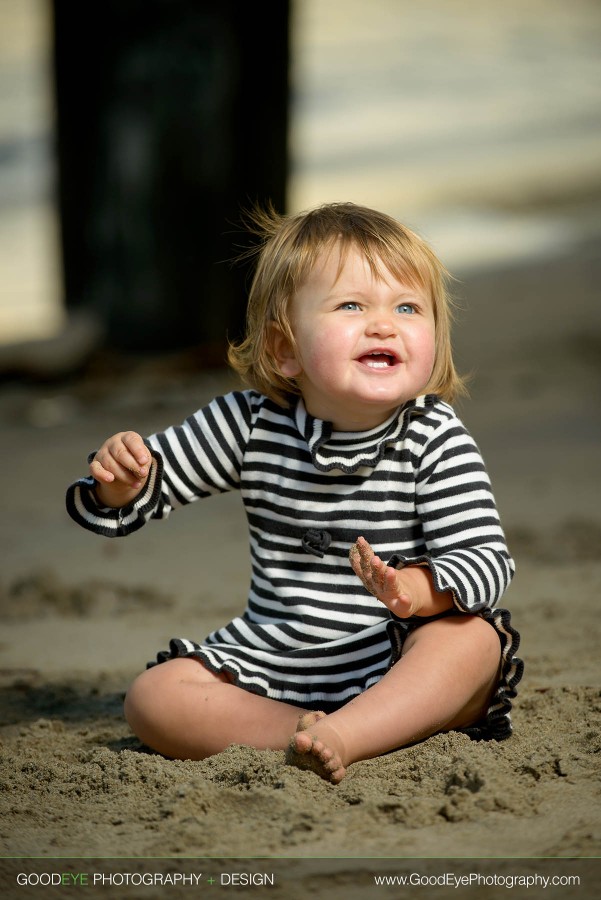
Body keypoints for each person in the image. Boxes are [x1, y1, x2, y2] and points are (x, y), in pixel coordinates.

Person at [66, 201, 523, 783]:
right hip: (278, 658)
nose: (384, 324)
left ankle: (353, 731)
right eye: (352, 306)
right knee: (155, 699)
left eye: (408, 307)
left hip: (396, 653)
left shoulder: (434, 436)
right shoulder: (251, 423)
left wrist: (418, 589)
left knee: (474, 642)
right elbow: (146, 489)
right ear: (284, 349)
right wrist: (120, 482)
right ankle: (303, 734)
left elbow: (486, 560)